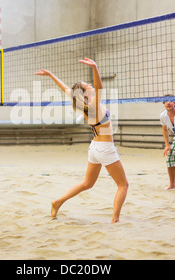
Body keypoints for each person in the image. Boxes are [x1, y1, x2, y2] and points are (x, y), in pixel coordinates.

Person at [35, 58, 129, 224]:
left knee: (87, 183)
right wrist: (95, 68)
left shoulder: (83, 105)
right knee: (123, 185)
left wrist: (50, 75)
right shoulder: (93, 106)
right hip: (105, 148)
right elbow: (99, 87)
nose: (91, 86)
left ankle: (57, 202)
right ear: (85, 93)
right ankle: (115, 220)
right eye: (88, 86)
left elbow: (65, 88)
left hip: (95, 148)